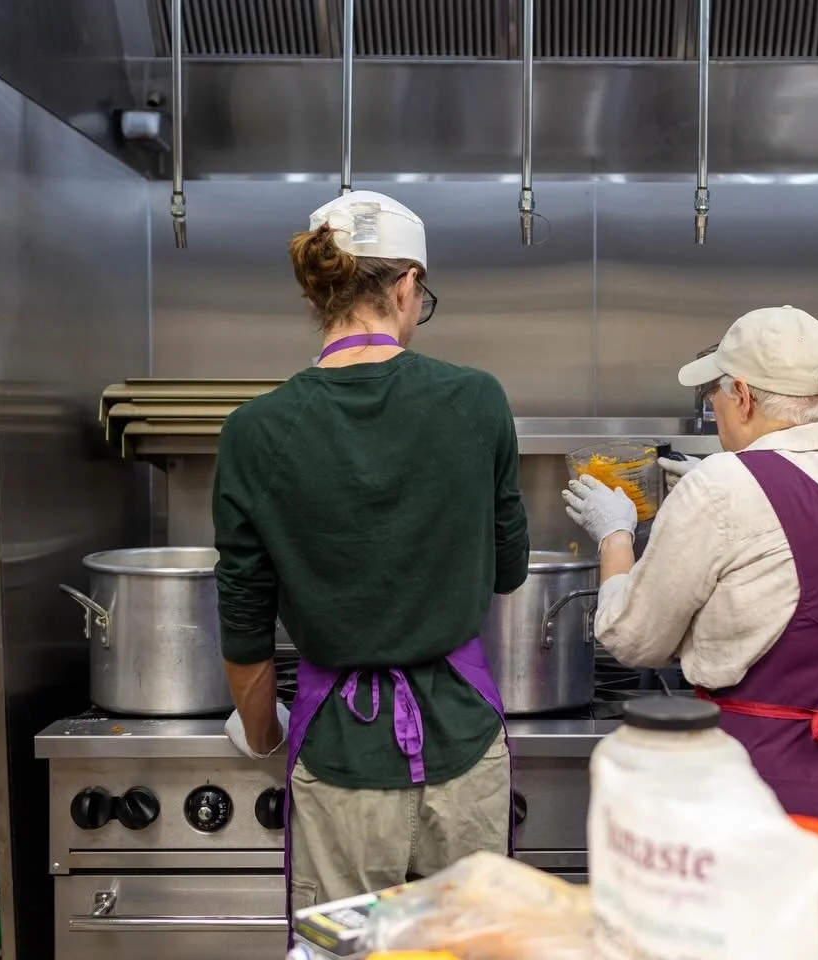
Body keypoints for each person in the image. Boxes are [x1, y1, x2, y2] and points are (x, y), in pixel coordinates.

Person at [213, 191, 529, 934]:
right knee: (471, 951)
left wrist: (263, 736)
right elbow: (509, 568)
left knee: (344, 953)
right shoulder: (477, 401)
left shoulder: (254, 432)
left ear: (317, 292)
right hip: (464, 747)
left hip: (339, 757)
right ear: (407, 286)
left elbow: (245, 629)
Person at [562, 305, 818, 867]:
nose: (715, 410)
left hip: (779, 795)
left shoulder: (723, 485)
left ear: (745, 396)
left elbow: (633, 639)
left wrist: (615, 537)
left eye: (715, 398)